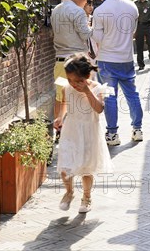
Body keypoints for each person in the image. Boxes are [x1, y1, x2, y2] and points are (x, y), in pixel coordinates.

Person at [54, 54, 113, 213]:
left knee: (86, 168)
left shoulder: (97, 88)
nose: (72, 84)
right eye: (69, 80)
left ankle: (86, 197)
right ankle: (69, 192)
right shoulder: (67, 88)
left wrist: (87, 91)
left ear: (86, 76)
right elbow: (65, 103)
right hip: (71, 130)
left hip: (89, 132)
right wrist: (60, 117)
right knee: (66, 165)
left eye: (76, 81)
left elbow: (99, 109)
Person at [91, 0, 144, 145]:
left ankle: (113, 135)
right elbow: (133, 32)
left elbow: (97, 38)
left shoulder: (99, 11)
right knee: (132, 94)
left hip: (107, 59)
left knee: (110, 97)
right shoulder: (132, 6)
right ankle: (137, 129)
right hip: (127, 58)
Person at [50, 0, 93, 140]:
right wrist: (94, 28)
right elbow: (85, 35)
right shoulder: (77, 11)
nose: (86, 2)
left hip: (60, 60)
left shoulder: (57, 9)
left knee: (60, 98)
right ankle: (76, 133)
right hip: (76, 62)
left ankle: (59, 130)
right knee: (80, 98)